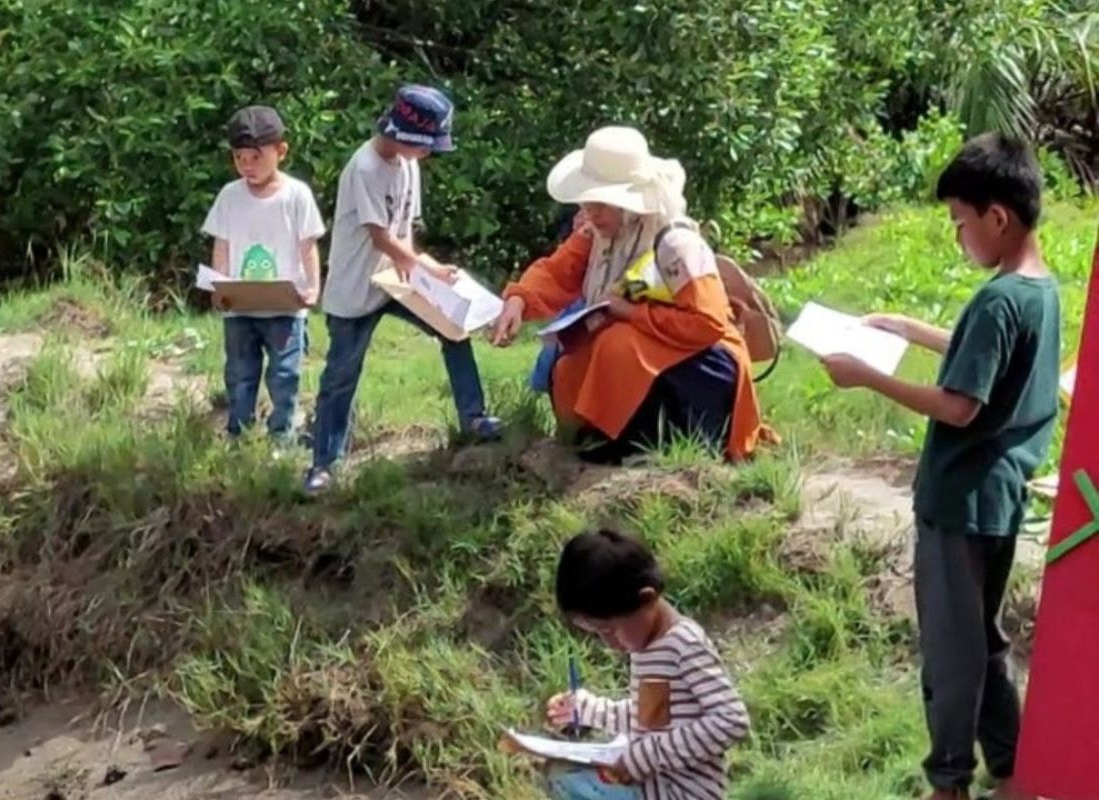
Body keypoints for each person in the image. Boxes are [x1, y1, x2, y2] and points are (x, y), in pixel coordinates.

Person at [822, 132, 1059, 800]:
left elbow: (958, 407)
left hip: (959, 500)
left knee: (953, 652)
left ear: (997, 217)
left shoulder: (997, 299)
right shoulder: (1038, 290)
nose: (959, 238)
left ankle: (948, 782)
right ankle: (1012, 765)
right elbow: (992, 352)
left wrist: (867, 375)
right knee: (982, 639)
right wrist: (909, 328)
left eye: (960, 223)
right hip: (1003, 496)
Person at [492, 126, 772, 464]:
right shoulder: (596, 232)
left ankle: (649, 445)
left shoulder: (676, 245)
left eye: (602, 204)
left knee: (618, 345)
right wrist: (518, 300)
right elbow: (557, 271)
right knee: (566, 361)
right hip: (654, 350)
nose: (591, 212)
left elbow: (707, 323)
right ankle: (592, 440)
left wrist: (631, 314)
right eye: (588, 202)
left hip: (703, 363)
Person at [305, 85, 502, 493]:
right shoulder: (365, 167)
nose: (429, 154)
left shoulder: (408, 165)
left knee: (453, 327)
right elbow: (380, 236)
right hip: (355, 287)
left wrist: (429, 270)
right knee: (341, 374)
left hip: (398, 278)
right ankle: (323, 464)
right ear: (401, 135)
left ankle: (474, 415)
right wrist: (417, 266)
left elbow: (404, 234)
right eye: (425, 145)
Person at [544, 528, 749, 800]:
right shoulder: (648, 648)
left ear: (647, 599)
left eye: (611, 630)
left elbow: (731, 720)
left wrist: (645, 757)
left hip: (682, 792)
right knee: (559, 772)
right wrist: (587, 709)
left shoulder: (683, 645)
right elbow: (651, 719)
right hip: (655, 785)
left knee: (565, 776)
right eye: (599, 634)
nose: (610, 644)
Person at [202, 105, 326, 443]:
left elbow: (307, 244)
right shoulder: (230, 196)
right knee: (240, 374)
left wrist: (313, 288)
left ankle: (280, 437)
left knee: (285, 374)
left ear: (280, 151)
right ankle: (238, 435)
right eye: (239, 157)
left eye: (255, 157)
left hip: (286, 306)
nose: (247, 165)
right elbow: (222, 244)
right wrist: (219, 284)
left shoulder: (296, 194)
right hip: (241, 306)